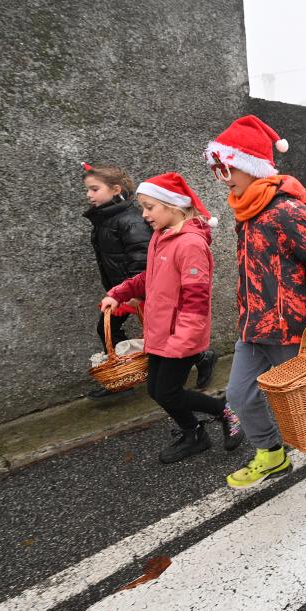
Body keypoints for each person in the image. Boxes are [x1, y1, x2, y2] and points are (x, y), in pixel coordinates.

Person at [205, 115, 306, 488]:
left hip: (292, 328)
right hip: (253, 326)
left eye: (226, 168)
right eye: (217, 169)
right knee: (239, 395)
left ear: (249, 166)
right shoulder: (246, 210)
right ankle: (271, 454)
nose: (222, 176)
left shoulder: (286, 210)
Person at [101, 172, 243, 463]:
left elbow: (197, 299)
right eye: (142, 207)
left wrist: (184, 340)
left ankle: (224, 411)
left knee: (168, 392)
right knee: (156, 390)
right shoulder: (161, 237)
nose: (144, 214)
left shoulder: (190, 244)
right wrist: (120, 292)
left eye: (149, 207)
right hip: (159, 331)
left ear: (173, 206)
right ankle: (194, 434)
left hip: (180, 335)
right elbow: (148, 278)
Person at [82, 162, 152, 400]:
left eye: (94, 189)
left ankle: (203, 358)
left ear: (115, 189)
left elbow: (141, 258)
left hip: (137, 291)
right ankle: (123, 377)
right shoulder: (104, 220)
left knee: (164, 336)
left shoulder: (129, 220)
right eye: (87, 190)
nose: (89, 195)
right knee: (106, 328)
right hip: (121, 291)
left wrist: (135, 291)